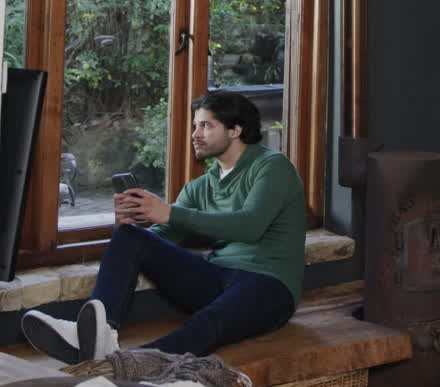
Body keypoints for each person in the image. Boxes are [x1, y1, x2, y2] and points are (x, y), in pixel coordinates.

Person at [22, 90, 306, 365]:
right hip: (218, 278)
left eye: (206, 126)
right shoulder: (200, 187)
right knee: (131, 237)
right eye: (195, 126)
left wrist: (169, 212)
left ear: (235, 130)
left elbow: (250, 226)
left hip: (270, 286)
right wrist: (126, 225)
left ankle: (121, 365)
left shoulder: (271, 166)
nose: (195, 134)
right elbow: (160, 238)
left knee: (206, 323)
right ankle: (98, 335)